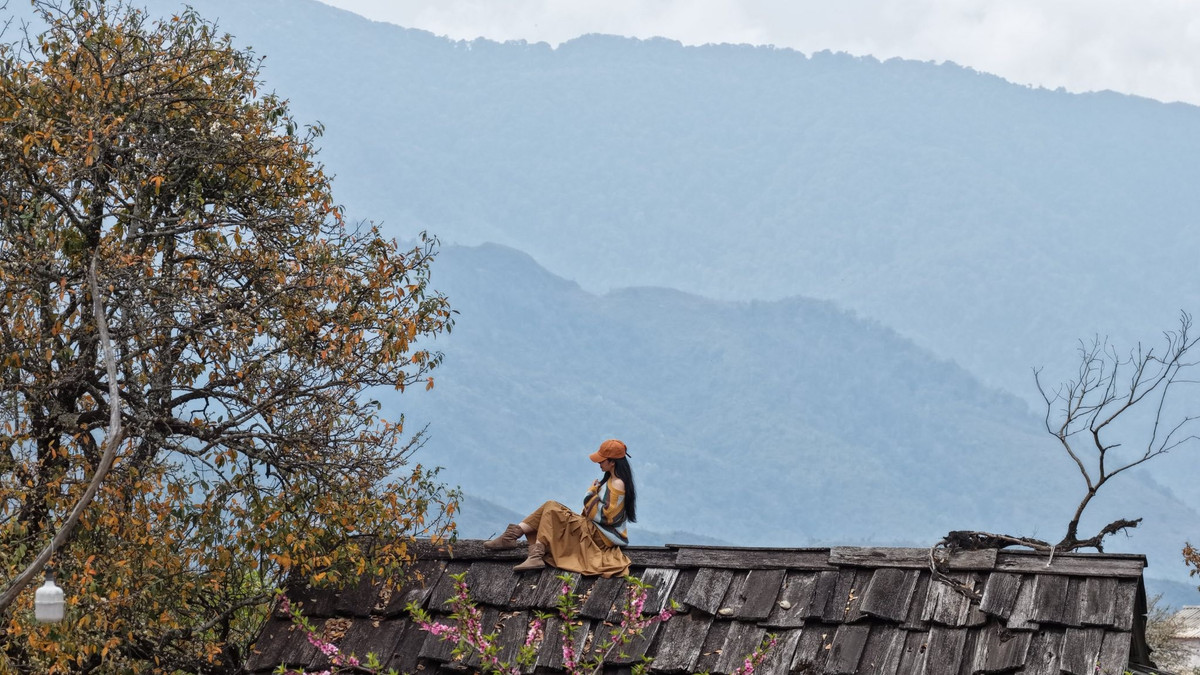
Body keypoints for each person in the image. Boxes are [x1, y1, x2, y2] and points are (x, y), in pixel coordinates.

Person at [483, 439, 636, 577]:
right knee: (550, 506)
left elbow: (607, 516)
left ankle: (527, 549)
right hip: (594, 528)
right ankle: (513, 538)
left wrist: (591, 493)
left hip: (600, 535)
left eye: (602, 461)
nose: (599, 463)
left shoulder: (617, 484)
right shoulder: (612, 480)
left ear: (612, 462)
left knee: (552, 509)